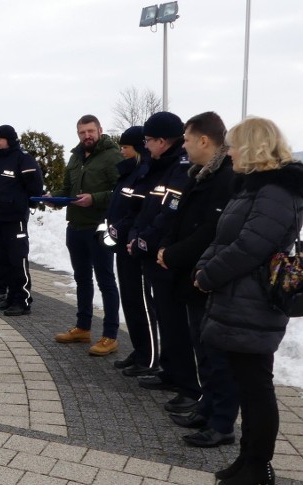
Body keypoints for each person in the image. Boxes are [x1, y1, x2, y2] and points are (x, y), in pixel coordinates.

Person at [194, 117, 303, 484]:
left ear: (254, 147)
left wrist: (209, 275)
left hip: (254, 301)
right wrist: (204, 265)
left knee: (256, 387)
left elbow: (250, 247)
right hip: (238, 298)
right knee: (246, 384)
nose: (231, 152)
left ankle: (258, 466)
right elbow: (224, 237)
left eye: (235, 145)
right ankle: (248, 460)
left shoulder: (276, 191)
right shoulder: (251, 188)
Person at [156, 112, 239, 448]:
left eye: (187, 139)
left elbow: (210, 231)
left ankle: (222, 423)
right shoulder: (200, 175)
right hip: (189, 275)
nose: (185, 145)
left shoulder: (225, 178)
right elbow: (180, 218)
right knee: (202, 349)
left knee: (216, 355)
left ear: (204, 140)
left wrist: (173, 254)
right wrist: (166, 247)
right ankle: (206, 407)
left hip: (205, 276)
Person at [127, 111, 200, 413]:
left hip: (165, 257)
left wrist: (146, 240)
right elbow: (148, 207)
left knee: (175, 323)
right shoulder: (161, 166)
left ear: (162, 141)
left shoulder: (180, 168)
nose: (145, 146)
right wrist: (137, 233)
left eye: (147, 141)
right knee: (167, 321)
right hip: (153, 252)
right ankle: (171, 372)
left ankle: (188, 385)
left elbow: (169, 213)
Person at [51, 114, 122, 356]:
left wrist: (95, 198)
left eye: (90, 131)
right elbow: (68, 189)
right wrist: (54, 198)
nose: (87, 136)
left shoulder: (113, 156)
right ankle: (82, 328)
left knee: (106, 281)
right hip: (76, 227)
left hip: (100, 227)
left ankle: (110, 335)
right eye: (82, 132)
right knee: (82, 279)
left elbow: (120, 193)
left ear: (100, 130)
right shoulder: (75, 156)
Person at [104, 125, 159, 375]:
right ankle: (139, 350)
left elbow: (139, 211)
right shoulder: (128, 173)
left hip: (134, 245)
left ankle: (149, 358)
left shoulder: (144, 173)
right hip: (122, 244)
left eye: (125, 147)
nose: (121, 152)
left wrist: (122, 229)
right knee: (130, 300)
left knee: (141, 303)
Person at [0, 125, 44, 316]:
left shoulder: (23, 159)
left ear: (9, 140)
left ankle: (22, 300)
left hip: (15, 218)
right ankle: (11, 297)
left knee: (17, 259)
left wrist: (21, 202)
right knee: (3, 260)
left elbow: (35, 186)